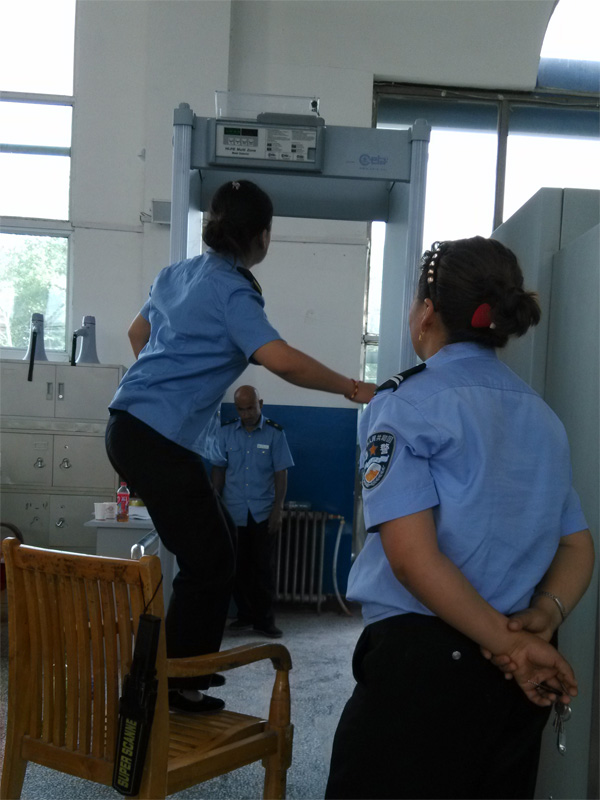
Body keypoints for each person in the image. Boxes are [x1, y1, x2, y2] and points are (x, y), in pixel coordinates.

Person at [325, 236, 595, 799]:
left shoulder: (404, 402)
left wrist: (513, 647)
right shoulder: (543, 418)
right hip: (512, 673)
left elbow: (412, 559)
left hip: (422, 669)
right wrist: (543, 617)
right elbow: (577, 547)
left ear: (427, 311)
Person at [105, 179, 374, 714]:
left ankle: (176, 676)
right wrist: (351, 387)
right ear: (262, 236)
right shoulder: (233, 291)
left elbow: (137, 333)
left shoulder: (176, 273)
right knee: (210, 563)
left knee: (217, 547)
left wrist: (164, 387)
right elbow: (282, 360)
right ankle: (175, 684)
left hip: (126, 424)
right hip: (158, 440)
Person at [211, 385, 294, 639]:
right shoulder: (226, 433)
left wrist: (278, 509)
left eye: (250, 408)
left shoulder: (275, 434)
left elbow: (281, 473)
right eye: (241, 409)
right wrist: (214, 505)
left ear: (261, 404)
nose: (246, 414)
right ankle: (245, 615)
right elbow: (218, 470)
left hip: (262, 511)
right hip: (233, 510)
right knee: (236, 567)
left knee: (263, 569)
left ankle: (264, 621)